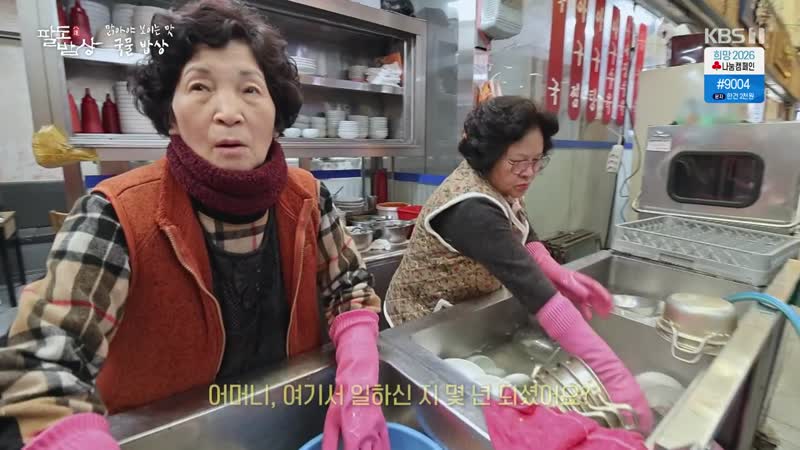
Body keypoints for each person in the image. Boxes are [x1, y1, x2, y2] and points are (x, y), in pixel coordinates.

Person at [0, 1, 389, 449]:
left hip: (285, 422)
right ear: (171, 114)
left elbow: (350, 288)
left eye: (250, 89)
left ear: (276, 113)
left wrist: (360, 383)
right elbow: (43, 362)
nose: (228, 112)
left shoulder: (308, 198)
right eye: (200, 86)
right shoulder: (112, 215)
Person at [384, 96, 654, 434]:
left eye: (537, 160)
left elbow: (522, 232)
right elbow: (534, 292)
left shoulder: (501, 182)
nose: (529, 172)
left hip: (460, 310)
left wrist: (557, 272)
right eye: (517, 161)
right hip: (420, 325)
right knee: (433, 419)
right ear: (489, 155)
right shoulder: (471, 209)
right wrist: (612, 374)